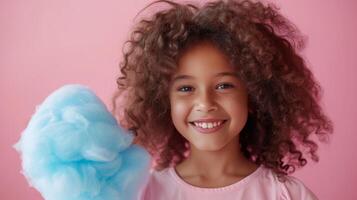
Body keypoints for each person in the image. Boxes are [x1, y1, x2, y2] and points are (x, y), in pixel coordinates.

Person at [111, 0, 334, 199]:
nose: (206, 103)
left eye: (223, 86)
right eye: (186, 88)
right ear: (163, 101)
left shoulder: (287, 194)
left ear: (254, 95)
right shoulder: (143, 193)